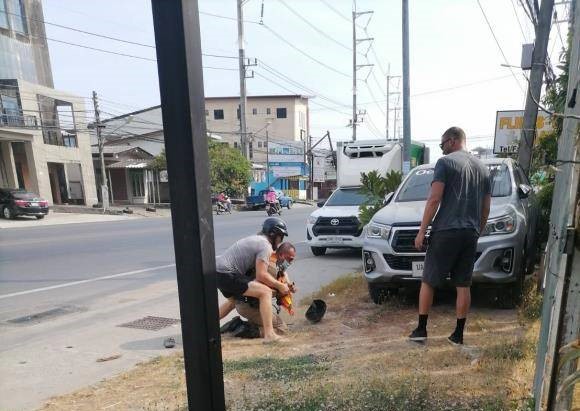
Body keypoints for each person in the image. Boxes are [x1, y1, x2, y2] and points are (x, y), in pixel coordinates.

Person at [409, 127, 491, 345]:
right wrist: (477, 231)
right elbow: (485, 208)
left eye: (443, 144)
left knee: (428, 280)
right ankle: (458, 334)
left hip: (445, 230)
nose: (442, 149)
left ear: (453, 141)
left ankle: (421, 330)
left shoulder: (445, 163)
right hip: (470, 232)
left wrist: (421, 231)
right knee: (463, 284)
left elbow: (434, 199)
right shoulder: (483, 169)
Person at [216, 217, 290, 343]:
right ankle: (270, 335)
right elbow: (261, 275)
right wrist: (280, 286)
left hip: (218, 273)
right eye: (280, 236)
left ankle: (208, 328)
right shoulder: (265, 245)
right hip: (227, 273)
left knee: (233, 301)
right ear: (274, 234)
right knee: (265, 292)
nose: (280, 241)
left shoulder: (256, 239)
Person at [233, 242, 297, 336]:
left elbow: (282, 278)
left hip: (244, 303)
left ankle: (239, 325)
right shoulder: (272, 269)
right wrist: (283, 291)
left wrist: (287, 286)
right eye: (290, 259)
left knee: (267, 321)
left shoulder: (268, 260)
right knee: (282, 328)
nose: (290, 262)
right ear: (282, 255)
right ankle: (245, 329)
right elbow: (265, 291)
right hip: (249, 306)